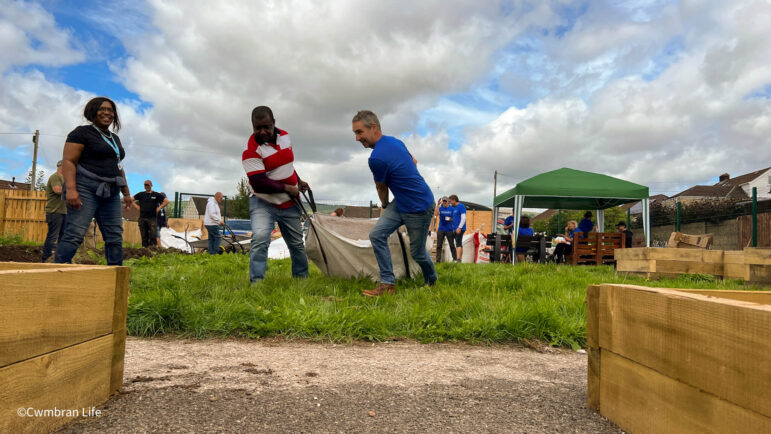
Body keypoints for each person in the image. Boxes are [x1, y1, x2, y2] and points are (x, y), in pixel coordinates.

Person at [353, 110, 437, 296]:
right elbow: (414, 161)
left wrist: (384, 205)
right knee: (377, 234)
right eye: (355, 134)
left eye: (360, 132)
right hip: (401, 203)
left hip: (419, 207)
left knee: (417, 253)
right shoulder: (395, 141)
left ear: (373, 127)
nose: (357, 138)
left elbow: (381, 188)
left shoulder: (376, 158)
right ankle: (388, 285)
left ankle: (432, 281)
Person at [55, 97, 133, 265]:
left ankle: (115, 279)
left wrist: (126, 193)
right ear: (92, 112)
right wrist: (71, 189)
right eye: (102, 109)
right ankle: (56, 273)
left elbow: (118, 166)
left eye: (110, 110)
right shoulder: (81, 133)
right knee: (75, 233)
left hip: (111, 192)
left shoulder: (114, 139)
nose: (107, 113)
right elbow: (69, 161)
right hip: (85, 188)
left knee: (114, 236)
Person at [242, 106, 310, 283]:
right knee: (260, 239)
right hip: (263, 202)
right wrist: (288, 188)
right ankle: (257, 282)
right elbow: (259, 182)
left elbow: (287, 164)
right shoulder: (250, 150)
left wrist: (299, 180)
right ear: (252, 126)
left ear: (274, 123)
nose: (262, 131)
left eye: (266, 126)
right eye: (258, 128)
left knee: (296, 243)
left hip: (289, 203)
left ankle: (301, 280)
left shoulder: (285, 136)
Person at [41, 160, 67, 262]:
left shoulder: (64, 179)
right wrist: (71, 189)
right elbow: (57, 190)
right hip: (54, 211)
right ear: (61, 166)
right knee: (52, 236)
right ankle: (46, 258)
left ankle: (58, 257)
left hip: (63, 211)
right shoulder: (56, 177)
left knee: (62, 235)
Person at [132, 180, 169, 247]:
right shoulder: (141, 194)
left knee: (153, 236)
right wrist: (138, 207)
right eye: (145, 185)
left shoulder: (156, 195)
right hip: (142, 218)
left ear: (151, 185)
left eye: (148, 185)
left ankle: (153, 250)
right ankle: (144, 250)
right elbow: (131, 200)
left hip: (152, 219)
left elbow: (166, 201)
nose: (146, 186)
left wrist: (159, 208)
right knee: (144, 236)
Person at [433, 196, 456, 263]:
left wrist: (449, 219)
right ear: (442, 202)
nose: (445, 203)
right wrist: (437, 205)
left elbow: (454, 219)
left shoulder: (452, 209)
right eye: (444, 201)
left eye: (446, 201)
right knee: (439, 246)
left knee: (452, 245)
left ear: (448, 202)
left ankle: (455, 260)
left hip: (449, 229)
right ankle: (438, 261)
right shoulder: (440, 208)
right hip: (441, 229)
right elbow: (436, 214)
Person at [448, 195, 466, 262]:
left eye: (450, 201)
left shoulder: (461, 206)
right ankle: (460, 259)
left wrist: (459, 227)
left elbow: (463, 217)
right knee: (459, 243)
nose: (450, 203)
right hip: (455, 228)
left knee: (458, 243)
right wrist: (451, 219)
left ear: (454, 200)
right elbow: (456, 218)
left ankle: (458, 259)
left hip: (459, 228)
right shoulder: (455, 208)